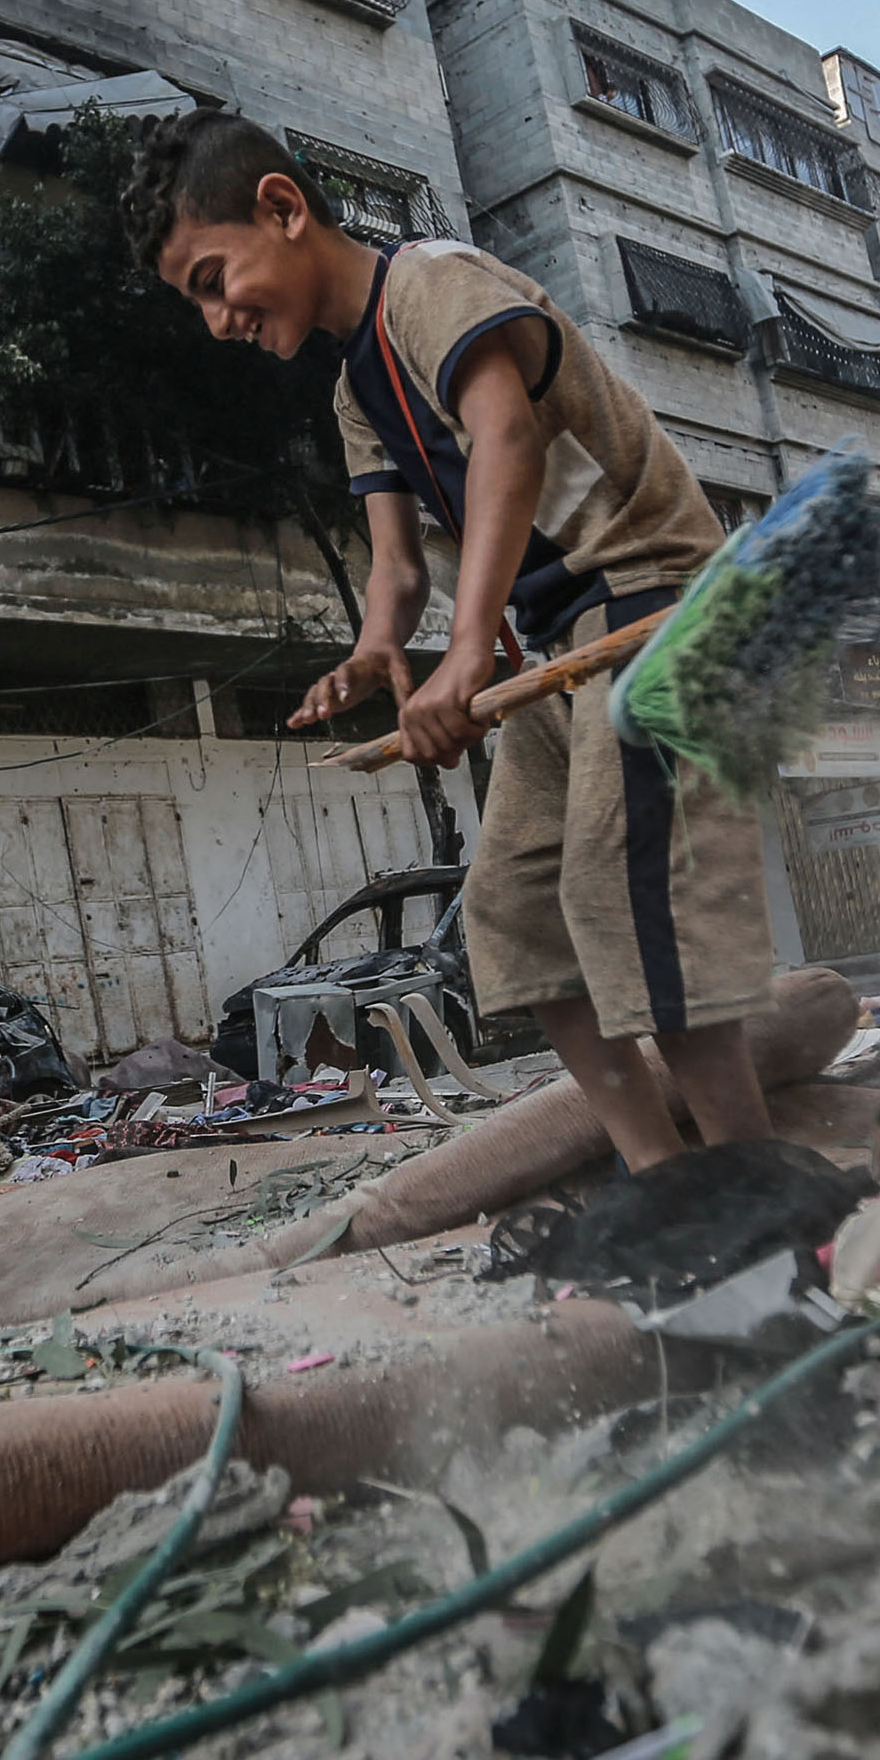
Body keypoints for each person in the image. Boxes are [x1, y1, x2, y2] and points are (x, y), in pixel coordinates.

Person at [128, 112, 775, 1170]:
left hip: (654, 601)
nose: (214, 320)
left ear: (282, 209)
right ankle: (664, 1174)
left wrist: (466, 652)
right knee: (513, 914)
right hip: (555, 638)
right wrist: (378, 648)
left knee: (629, 894)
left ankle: (757, 1178)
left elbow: (507, 437)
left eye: (211, 278)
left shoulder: (431, 282)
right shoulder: (352, 394)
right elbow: (396, 565)